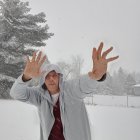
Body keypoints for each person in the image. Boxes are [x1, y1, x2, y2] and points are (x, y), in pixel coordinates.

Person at [10, 42, 119, 140]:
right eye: (47, 76)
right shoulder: (39, 96)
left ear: (59, 77)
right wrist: (26, 76)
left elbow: (83, 85)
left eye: (54, 75)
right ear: (43, 80)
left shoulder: (71, 90)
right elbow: (16, 93)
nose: (51, 78)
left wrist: (97, 77)